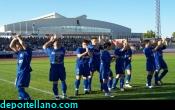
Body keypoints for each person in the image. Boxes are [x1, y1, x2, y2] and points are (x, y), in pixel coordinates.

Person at [43, 34, 67, 100]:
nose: (56, 42)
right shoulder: (50, 50)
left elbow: (45, 46)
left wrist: (55, 39)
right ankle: (57, 96)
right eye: (55, 42)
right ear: (53, 44)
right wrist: (51, 40)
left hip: (61, 67)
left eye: (58, 41)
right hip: (54, 68)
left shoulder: (62, 49)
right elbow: (44, 46)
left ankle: (64, 94)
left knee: (63, 81)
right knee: (55, 83)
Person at [9, 34, 32, 100]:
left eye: (18, 46)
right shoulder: (19, 53)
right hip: (19, 73)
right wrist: (14, 38)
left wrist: (18, 38)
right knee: (20, 89)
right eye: (17, 47)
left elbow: (23, 43)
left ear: (21, 46)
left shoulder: (27, 52)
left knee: (20, 89)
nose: (17, 48)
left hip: (24, 73)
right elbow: (11, 46)